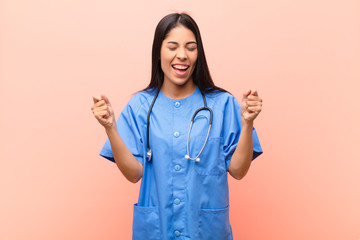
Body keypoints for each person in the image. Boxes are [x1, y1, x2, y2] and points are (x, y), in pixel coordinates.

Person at [91, 12, 263, 240]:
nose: (182, 55)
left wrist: (247, 122)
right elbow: (134, 174)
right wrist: (110, 128)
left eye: (190, 48)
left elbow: (238, 171)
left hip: (206, 232)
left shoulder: (222, 104)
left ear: (198, 54)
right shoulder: (140, 106)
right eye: (172, 47)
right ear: (158, 52)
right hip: (157, 231)